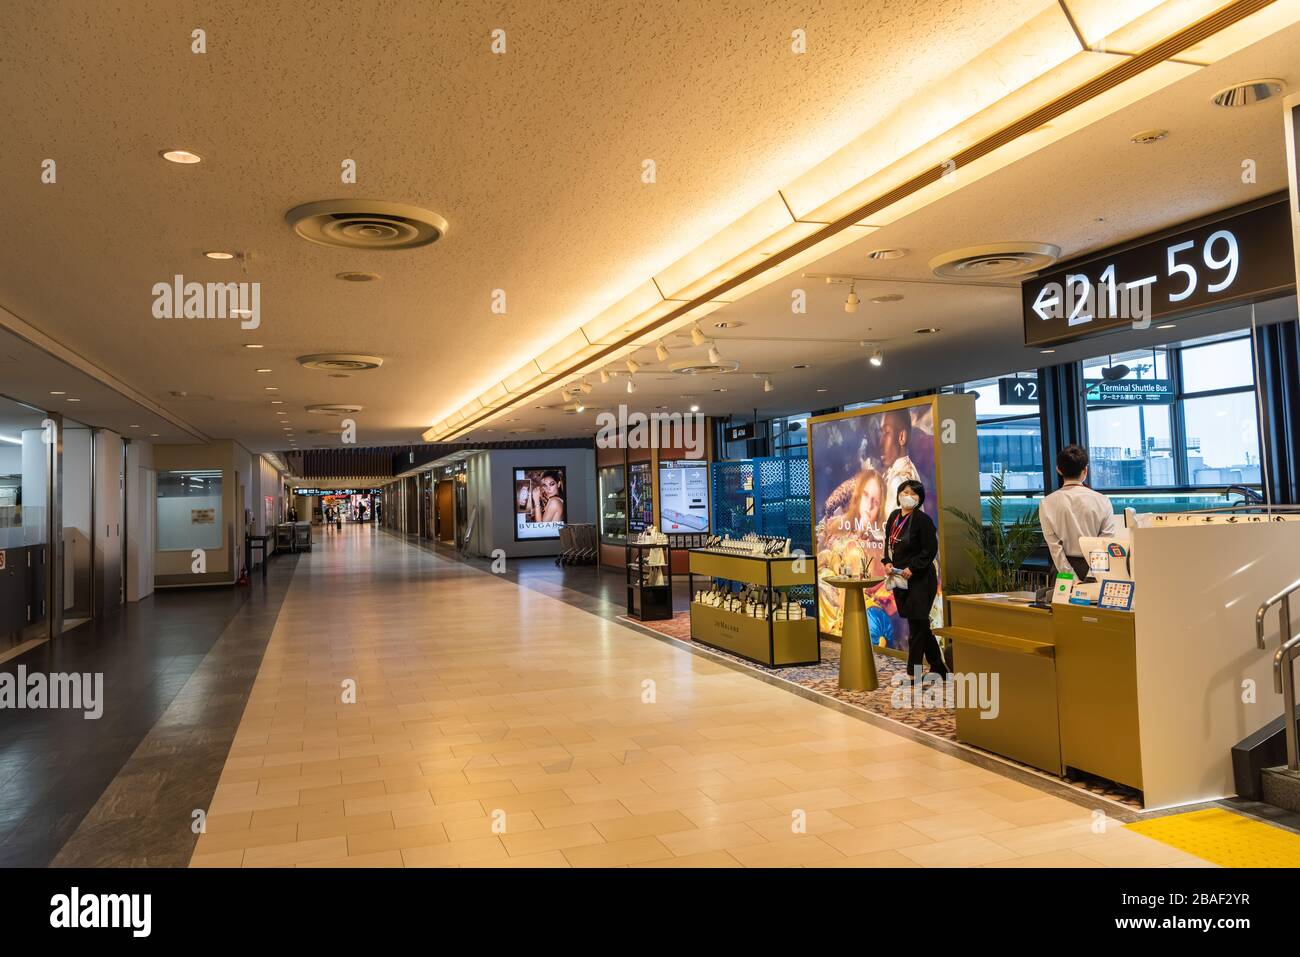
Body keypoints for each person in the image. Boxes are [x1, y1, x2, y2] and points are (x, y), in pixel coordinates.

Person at [881, 479, 948, 681]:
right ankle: (939, 667)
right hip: (899, 579)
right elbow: (889, 544)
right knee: (920, 625)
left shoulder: (923, 520)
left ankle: (914, 673)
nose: (907, 496)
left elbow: (930, 550)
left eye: (913, 493)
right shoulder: (894, 516)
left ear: (919, 499)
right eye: (905, 491)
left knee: (916, 627)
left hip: (920, 579)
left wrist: (914, 567)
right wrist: (886, 561)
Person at [1039, 444, 1117, 581]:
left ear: (1059, 470)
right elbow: (1105, 542)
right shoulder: (1103, 501)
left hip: (1061, 572)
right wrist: (1092, 575)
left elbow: (1054, 547)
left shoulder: (1046, 503)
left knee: (1060, 603)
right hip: (1096, 567)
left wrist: (1072, 578)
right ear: (1085, 470)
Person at [879, 410, 920, 518]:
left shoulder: (898, 483)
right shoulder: (909, 470)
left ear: (902, 437)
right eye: (881, 434)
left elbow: (894, 531)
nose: (880, 442)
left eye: (886, 432)